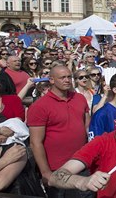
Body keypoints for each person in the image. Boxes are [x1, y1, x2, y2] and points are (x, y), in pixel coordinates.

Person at [28, 65, 91, 197]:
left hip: (82, 163)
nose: (67, 80)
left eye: (69, 77)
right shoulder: (39, 106)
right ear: (51, 80)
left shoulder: (79, 99)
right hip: (57, 168)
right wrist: (45, 173)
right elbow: (35, 142)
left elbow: (87, 129)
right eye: (62, 77)